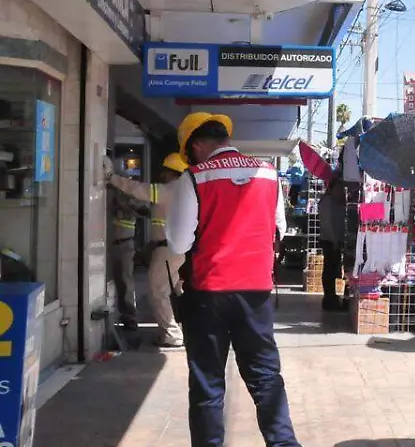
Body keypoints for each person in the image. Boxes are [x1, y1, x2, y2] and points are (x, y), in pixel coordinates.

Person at [167, 111, 301, 447]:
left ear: (196, 145)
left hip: (207, 294)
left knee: (208, 385)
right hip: (256, 293)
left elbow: (179, 243)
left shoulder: (193, 178)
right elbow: (279, 230)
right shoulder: (269, 174)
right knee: (266, 378)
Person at [106, 152, 189, 347]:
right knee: (177, 290)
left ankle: (172, 335)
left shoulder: (170, 190)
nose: (162, 176)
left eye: (165, 172)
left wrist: (112, 179)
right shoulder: (185, 190)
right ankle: (185, 328)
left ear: (171, 172)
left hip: (167, 250)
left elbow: (138, 189)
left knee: (159, 292)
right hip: (179, 249)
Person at [109, 185, 141, 331]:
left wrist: (121, 198)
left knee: (125, 281)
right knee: (115, 282)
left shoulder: (131, 202)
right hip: (110, 245)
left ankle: (130, 318)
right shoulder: (111, 201)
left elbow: (137, 210)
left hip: (125, 245)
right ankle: (118, 315)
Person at [317, 172, 350, 311]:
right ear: (332, 188)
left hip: (334, 240)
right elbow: (328, 223)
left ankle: (332, 298)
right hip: (330, 241)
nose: (341, 191)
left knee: (333, 270)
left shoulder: (335, 201)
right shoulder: (327, 202)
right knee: (330, 271)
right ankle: (329, 299)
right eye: (339, 188)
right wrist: (335, 240)